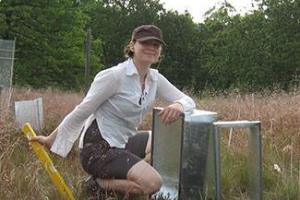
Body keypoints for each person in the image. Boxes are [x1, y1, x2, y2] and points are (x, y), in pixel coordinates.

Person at [32, 24, 195, 198]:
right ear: (132, 46)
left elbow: (189, 101)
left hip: (122, 143)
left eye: (156, 45)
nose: (151, 48)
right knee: (153, 184)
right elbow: (82, 111)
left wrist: (179, 105)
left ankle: (124, 177)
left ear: (160, 51)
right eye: (145, 43)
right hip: (98, 148)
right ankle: (99, 184)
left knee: (162, 140)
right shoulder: (114, 76)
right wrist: (52, 139)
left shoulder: (155, 79)